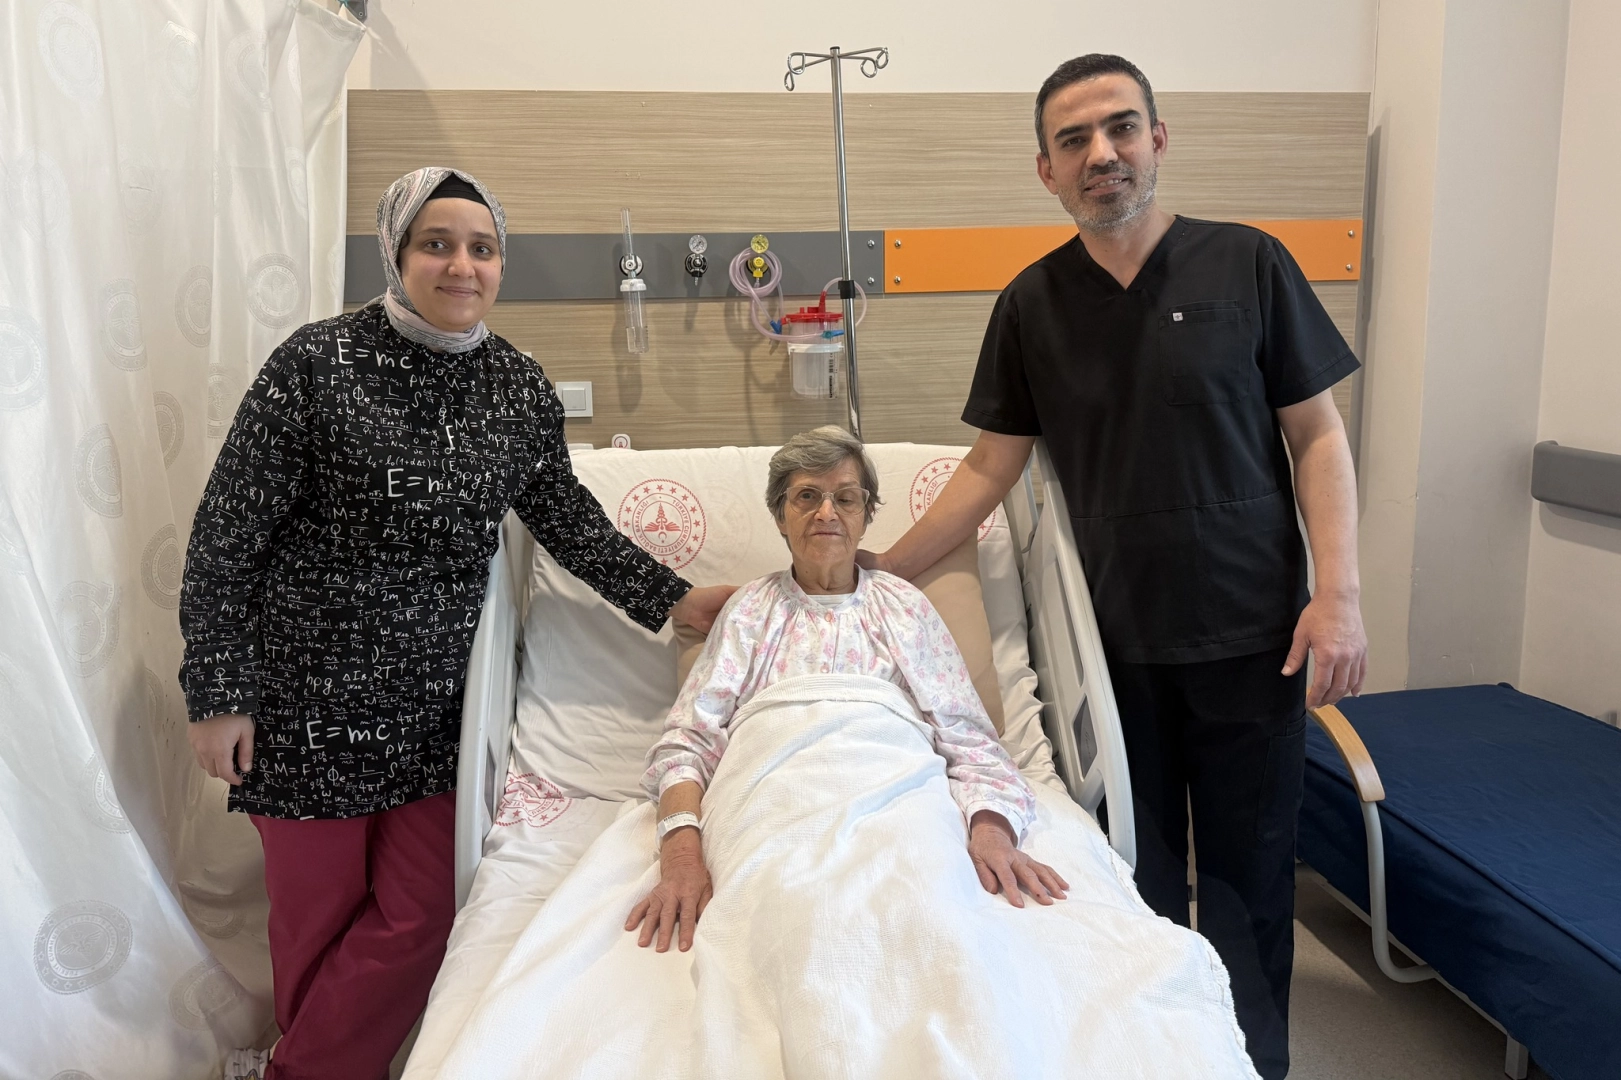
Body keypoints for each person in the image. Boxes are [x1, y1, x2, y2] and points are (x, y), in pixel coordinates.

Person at [859, 55, 1365, 1079]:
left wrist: (1338, 595)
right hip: (1112, 648)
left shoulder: (1248, 265)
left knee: (1250, 881)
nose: (1102, 154)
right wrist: (880, 570)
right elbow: (990, 464)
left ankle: (1248, 1064)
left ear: (1156, 140)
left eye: (1121, 128)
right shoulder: (1032, 305)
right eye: (1074, 140)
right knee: (1131, 877)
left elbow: (1316, 434)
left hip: (1254, 636)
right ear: (1045, 169)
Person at [179, 167, 732, 1080]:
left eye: (481, 248)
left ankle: (294, 1069)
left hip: (436, 711)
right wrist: (217, 692)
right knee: (315, 922)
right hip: (302, 702)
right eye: (435, 244)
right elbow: (226, 538)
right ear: (397, 255)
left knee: (424, 916)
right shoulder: (314, 364)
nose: (461, 265)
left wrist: (674, 598)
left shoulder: (515, 386)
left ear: (500, 265)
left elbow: (566, 519)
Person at [627, 426, 1068, 954]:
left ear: (865, 514)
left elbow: (969, 737)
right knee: (775, 924)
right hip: (773, 803)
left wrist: (991, 829)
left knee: (929, 913)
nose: (826, 513)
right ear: (780, 516)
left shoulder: (905, 608)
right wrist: (681, 857)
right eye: (806, 497)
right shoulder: (748, 611)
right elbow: (688, 742)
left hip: (896, 798)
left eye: (846, 498)